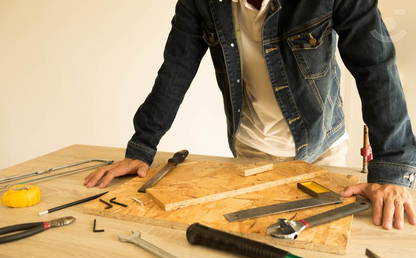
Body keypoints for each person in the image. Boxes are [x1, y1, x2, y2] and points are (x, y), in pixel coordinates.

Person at [84, 0, 416, 230]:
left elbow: (376, 68)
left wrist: (390, 170)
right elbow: (176, 69)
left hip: (323, 149)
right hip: (251, 152)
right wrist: (142, 147)